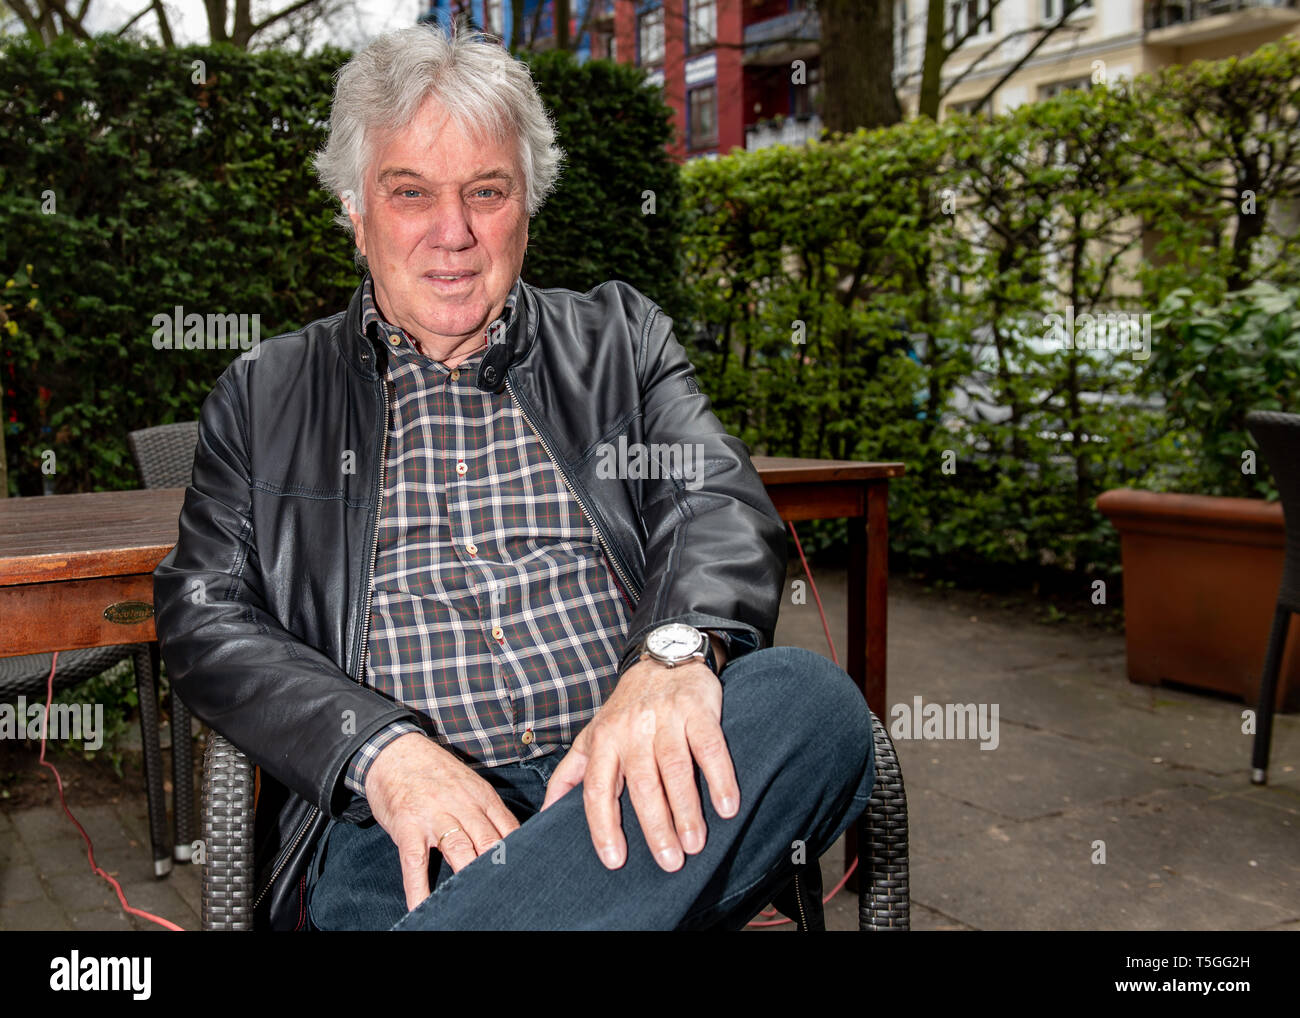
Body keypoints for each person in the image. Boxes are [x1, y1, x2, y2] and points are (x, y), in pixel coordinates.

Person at [153, 22, 874, 931]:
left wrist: (673, 652)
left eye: (485, 192)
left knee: (812, 708)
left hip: (630, 779)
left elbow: (714, 495)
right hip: (407, 824)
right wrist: (378, 752)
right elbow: (203, 614)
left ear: (527, 201)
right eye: (410, 192)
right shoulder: (265, 395)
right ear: (354, 207)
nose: (451, 235)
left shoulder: (621, 340)